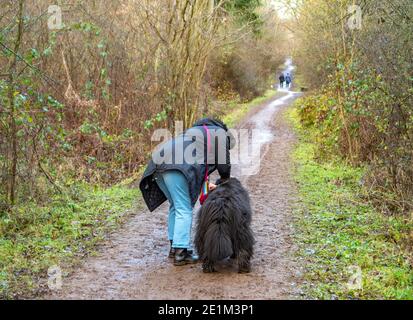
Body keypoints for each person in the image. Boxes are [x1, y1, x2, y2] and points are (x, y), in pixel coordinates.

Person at [139, 118, 234, 266]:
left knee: (175, 205)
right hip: (176, 167)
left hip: (158, 164)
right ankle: (181, 253)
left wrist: (207, 185)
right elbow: (224, 165)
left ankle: (174, 247)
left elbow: (203, 168)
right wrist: (225, 181)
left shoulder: (195, 132)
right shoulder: (220, 133)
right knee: (184, 208)